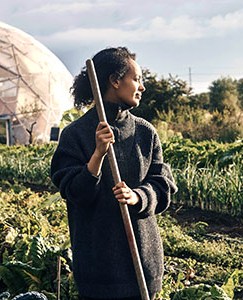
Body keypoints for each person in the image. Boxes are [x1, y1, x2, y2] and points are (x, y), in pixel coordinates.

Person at [50, 47, 177, 300]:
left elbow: (163, 184)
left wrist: (138, 196)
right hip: (99, 270)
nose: (142, 87)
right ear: (115, 81)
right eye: (137, 79)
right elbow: (75, 193)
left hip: (143, 264)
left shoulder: (145, 132)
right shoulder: (75, 135)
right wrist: (97, 154)